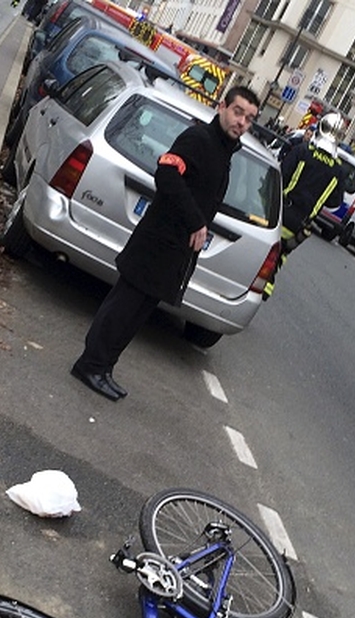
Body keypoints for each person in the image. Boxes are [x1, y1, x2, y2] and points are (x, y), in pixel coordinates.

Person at [70, 85, 260, 400]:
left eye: (249, 118)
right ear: (222, 106)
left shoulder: (224, 153)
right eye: (238, 112)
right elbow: (167, 173)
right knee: (123, 307)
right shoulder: (199, 140)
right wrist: (195, 221)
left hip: (175, 254)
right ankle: (89, 363)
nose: (242, 122)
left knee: (137, 314)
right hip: (156, 243)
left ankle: (104, 367)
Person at [263, 112, 346, 300]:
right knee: (281, 254)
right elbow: (335, 202)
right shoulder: (338, 170)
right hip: (301, 224)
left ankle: (258, 283)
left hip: (281, 211)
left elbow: (281, 174)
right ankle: (267, 286)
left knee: (264, 249)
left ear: (320, 128)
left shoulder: (303, 151)